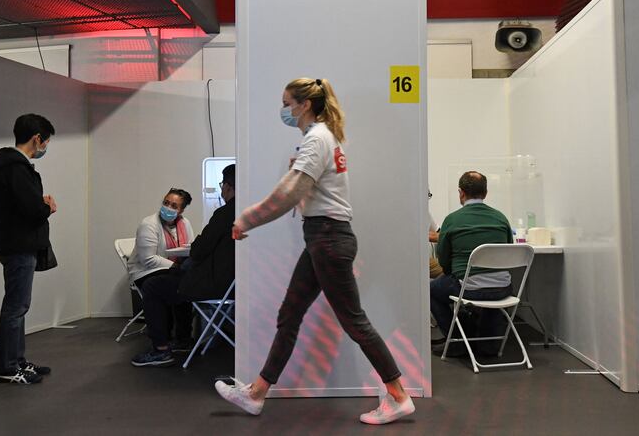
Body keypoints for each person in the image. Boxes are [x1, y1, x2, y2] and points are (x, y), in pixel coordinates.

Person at [215, 78, 415, 425]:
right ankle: (256, 394)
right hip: (322, 238)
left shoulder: (318, 139)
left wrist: (246, 219)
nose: (285, 110)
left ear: (304, 104)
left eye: (287, 103)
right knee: (290, 314)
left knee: (354, 321)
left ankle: (398, 396)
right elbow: (300, 191)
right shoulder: (323, 138)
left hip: (328, 238)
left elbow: (290, 192)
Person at [0, 113, 56, 384]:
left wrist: (39, 204)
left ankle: (17, 361)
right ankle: (8, 368)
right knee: (15, 306)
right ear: (37, 138)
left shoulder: (11, 167)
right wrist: (47, 206)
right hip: (18, 245)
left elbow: (21, 205)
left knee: (18, 305)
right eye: (46, 141)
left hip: (14, 244)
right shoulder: (16, 168)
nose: (46, 147)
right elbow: (31, 209)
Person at [429, 171, 513, 356]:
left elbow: (443, 260)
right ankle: (488, 344)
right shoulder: (500, 218)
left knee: (431, 290)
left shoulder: (452, 220)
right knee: (491, 287)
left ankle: (458, 340)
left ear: (461, 192)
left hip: (469, 287)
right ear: (486, 193)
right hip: (503, 288)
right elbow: (509, 251)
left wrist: (452, 273)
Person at [128, 187, 195, 367]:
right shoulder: (148, 224)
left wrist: (180, 267)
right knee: (159, 285)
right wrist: (176, 266)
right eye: (166, 202)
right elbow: (148, 259)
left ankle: (183, 339)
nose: (168, 207)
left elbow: (189, 247)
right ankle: (161, 346)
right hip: (144, 271)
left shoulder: (185, 223)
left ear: (181, 210)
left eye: (174, 205)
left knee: (183, 283)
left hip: (170, 267)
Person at [178, 164, 236, 302]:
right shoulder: (256, 214)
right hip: (242, 285)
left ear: (227, 186)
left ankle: (182, 324)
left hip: (217, 285)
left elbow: (199, 250)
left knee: (153, 285)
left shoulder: (223, 214)